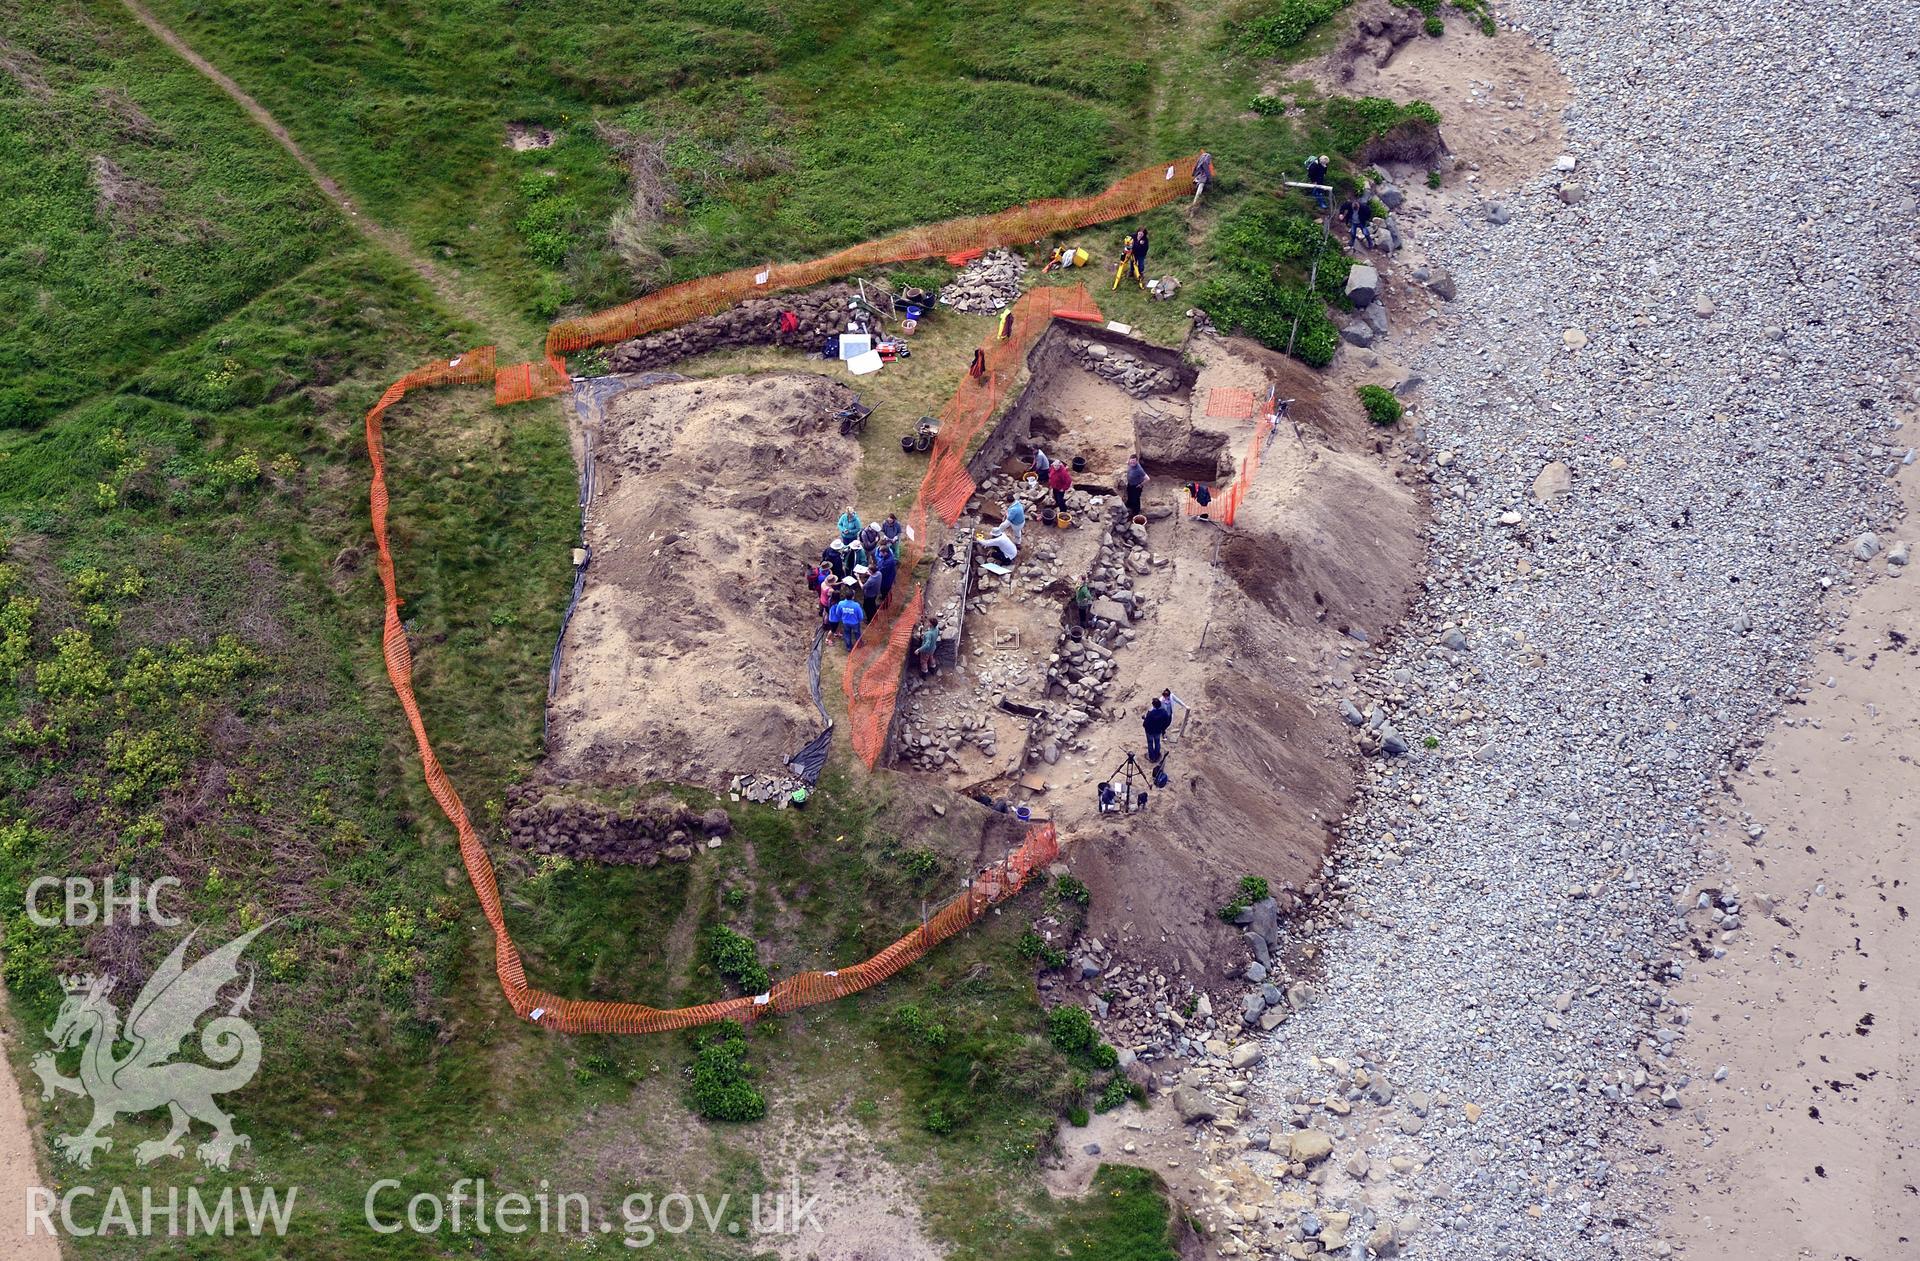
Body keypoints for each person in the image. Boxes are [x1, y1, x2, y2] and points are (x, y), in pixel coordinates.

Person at [1143, 697, 1172, 763]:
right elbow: (1167, 722)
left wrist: (1145, 719)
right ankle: (1157, 755)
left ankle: (1152, 757)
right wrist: (1162, 728)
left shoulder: (1150, 713)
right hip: (1158, 731)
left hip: (1150, 731)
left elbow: (1145, 723)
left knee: (1150, 743)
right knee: (1157, 742)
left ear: (1153, 705)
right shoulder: (1164, 712)